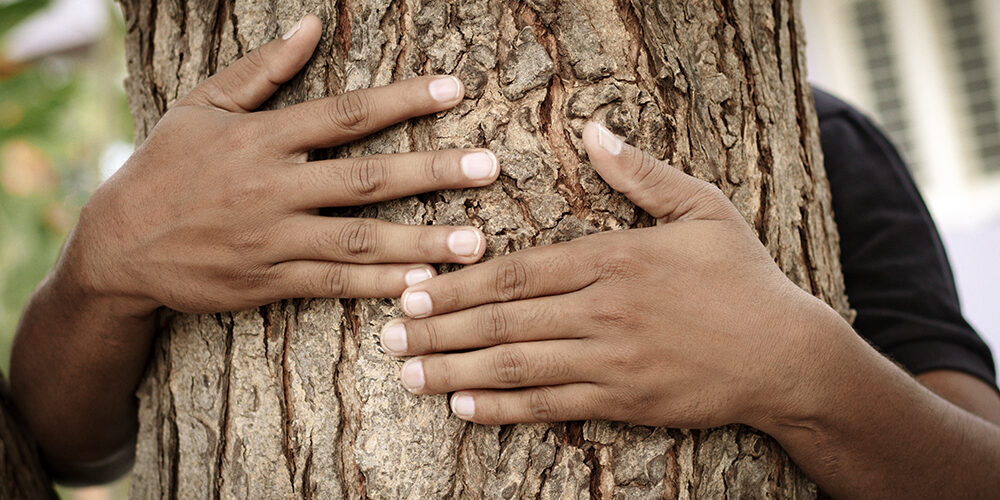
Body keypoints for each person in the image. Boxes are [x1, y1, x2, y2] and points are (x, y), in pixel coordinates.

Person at [9, 15, 999, 497]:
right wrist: (103, 265)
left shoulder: (818, 148)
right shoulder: (224, 142)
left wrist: (797, 369)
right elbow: (66, 445)